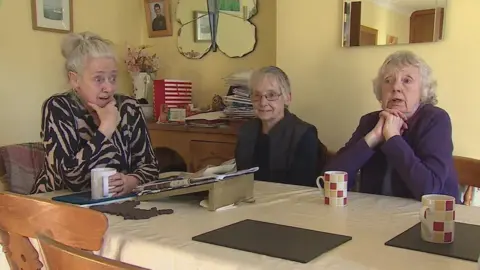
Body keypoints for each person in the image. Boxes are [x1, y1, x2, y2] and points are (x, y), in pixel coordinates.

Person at [31, 32, 159, 195]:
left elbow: (151, 167)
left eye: (113, 78)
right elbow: (71, 179)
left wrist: (130, 181)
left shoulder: (129, 107)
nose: (109, 88)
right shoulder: (58, 107)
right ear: (75, 80)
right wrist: (105, 128)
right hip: (58, 204)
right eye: (99, 79)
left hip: (114, 202)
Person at [324, 51, 459, 202]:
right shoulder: (370, 121)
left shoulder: (435, 120)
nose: (396, 87)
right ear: (380, 92)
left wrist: (393, 137)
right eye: (388, 81)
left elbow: (429, 189)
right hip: (376, 216)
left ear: (423, 91)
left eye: (407, 80)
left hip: (433, 218)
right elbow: (329, 180)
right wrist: (373, 137)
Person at [235, 66, 327, 187]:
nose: (263, 102)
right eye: (257, 95)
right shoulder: (246, 131)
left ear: (287, 98)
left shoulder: (304, 134)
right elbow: (241, 178)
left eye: (271, 95)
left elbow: (302, 189)